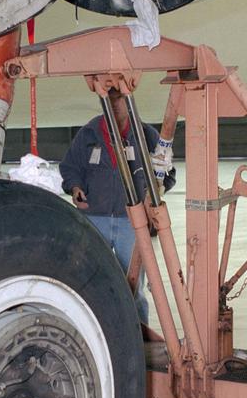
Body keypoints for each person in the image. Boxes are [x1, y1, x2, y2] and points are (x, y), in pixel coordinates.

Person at [59, 96, 174, 323]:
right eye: (108, 100)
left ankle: (139, 332)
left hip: (132, 222)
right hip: (94, 219)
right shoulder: (89, 133)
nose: (113, 104)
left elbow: (168, 173)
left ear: (128, 102)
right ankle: (91, 327)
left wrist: (154, 193)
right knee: (88, 277)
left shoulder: (147, 135)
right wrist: (74, 188)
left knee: (134, 286)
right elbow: (70, 167)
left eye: (118, 100)